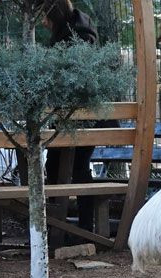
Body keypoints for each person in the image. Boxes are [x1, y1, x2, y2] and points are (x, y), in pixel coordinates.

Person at [35, 0, 114, 233]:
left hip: (83, 117)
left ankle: (70, 228)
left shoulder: (75, 36)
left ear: (54, 14)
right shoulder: (77, 30)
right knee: (64, 165)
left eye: (44, 16)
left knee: (74, 166)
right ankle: (65, 227)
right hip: (78, 117)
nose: (42, 21)